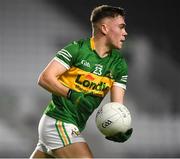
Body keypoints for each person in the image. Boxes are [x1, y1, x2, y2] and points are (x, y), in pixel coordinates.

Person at [30, 4, 133, 158]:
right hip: (58, 121)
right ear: (104, 28)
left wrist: (118, 128)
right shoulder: (77, 49)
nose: (125, 33)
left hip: (73, 125)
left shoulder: (119, 65)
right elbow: (45, 78)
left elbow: (117, 107)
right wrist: (73, 94)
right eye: (121, 27)